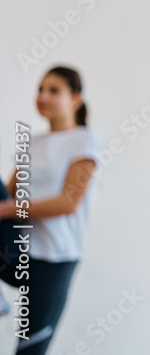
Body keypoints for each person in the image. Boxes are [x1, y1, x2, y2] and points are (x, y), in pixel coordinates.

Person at [0, 66, 101, 354]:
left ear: (76, 99)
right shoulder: (32, 143)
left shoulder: (84, 140)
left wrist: (7, 210)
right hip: (17, 250)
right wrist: (7, 209)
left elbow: (68, 202)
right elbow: (8, 194)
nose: (43, 96)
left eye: (53, 91)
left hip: (54, 259)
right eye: (40, 89)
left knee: (31, 348)